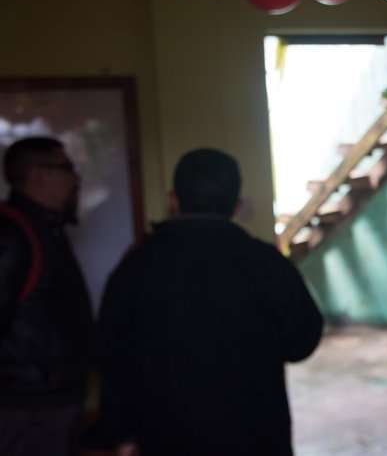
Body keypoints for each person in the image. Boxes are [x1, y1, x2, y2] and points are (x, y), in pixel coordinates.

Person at [95, 148, 323, 456]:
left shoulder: (136, 265)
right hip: (256, 436)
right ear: (237, 206)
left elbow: (112, 354)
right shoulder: (266, 262)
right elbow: (302, 342)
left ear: (173, 200)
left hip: (165, 438)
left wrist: (120, 432)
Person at [0, 137, 93, 456]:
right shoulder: (12, 233)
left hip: (46, 402)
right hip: (25, 408)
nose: (76, 178)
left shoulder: (46, 229)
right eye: (67, 168)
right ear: (38, 175)